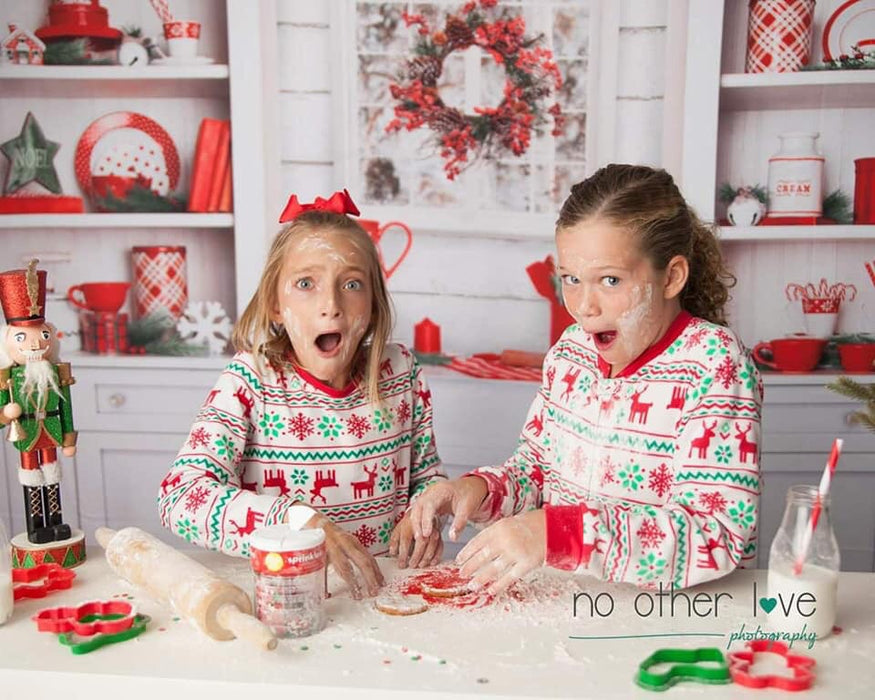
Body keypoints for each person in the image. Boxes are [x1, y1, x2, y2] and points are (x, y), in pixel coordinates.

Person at [410, 164, 763, 594]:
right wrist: (479, 490)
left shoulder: (714, 365)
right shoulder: (570, 354)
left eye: (610, 280)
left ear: (671, 276)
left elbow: (715, 534)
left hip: (673, 615)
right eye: (571, 279)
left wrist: (558, 533)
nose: (584, 306)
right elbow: (536, 471)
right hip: (574, 604)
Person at [158, 190, 446, 598]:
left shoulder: (401, 373)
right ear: (276, 304)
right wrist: (298, 522)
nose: (331, 305)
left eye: (351, 284)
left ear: (373, 306)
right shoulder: (250, 381)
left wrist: (425, 514)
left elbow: (426, 478)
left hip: (383, 595)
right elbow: (179, 497)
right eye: (306, 283)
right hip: (285, 596)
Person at [0, 260, 76, 544]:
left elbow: (66, 404)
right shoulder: (8, 377)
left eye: (42, 335)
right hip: (27, 431)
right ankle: (36, 524)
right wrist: (7, 413)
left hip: (52, 429)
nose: (34, 344)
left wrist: (69, 437)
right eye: (22, 337)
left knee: (52, 476)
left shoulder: (56, 372)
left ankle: (56, 521)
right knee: (32, 475)